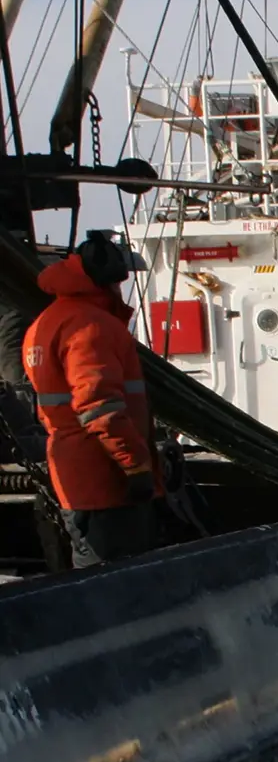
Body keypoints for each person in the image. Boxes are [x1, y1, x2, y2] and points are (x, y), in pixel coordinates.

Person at [24, 233, 156, 567]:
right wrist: (136, 465)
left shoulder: (48, 321)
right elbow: (99, 407)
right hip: (106, 483)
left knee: (93, 581)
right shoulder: (91, 326)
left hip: (76, 479)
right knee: (117, 588)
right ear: (107, 281)